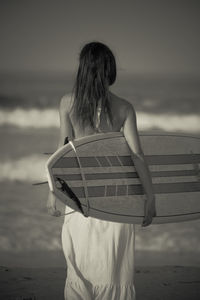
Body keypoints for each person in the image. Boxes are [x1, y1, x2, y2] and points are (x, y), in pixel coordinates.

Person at [47, 42, 156, 300]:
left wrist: (53, 192)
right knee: (113, 275)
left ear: (83, 70)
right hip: (116, 208)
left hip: (80, 205)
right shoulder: (124, 107)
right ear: (110, 71)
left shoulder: (67, 103)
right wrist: (150, 198)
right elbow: (137, 156)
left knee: (79, 276)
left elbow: (62, 152)